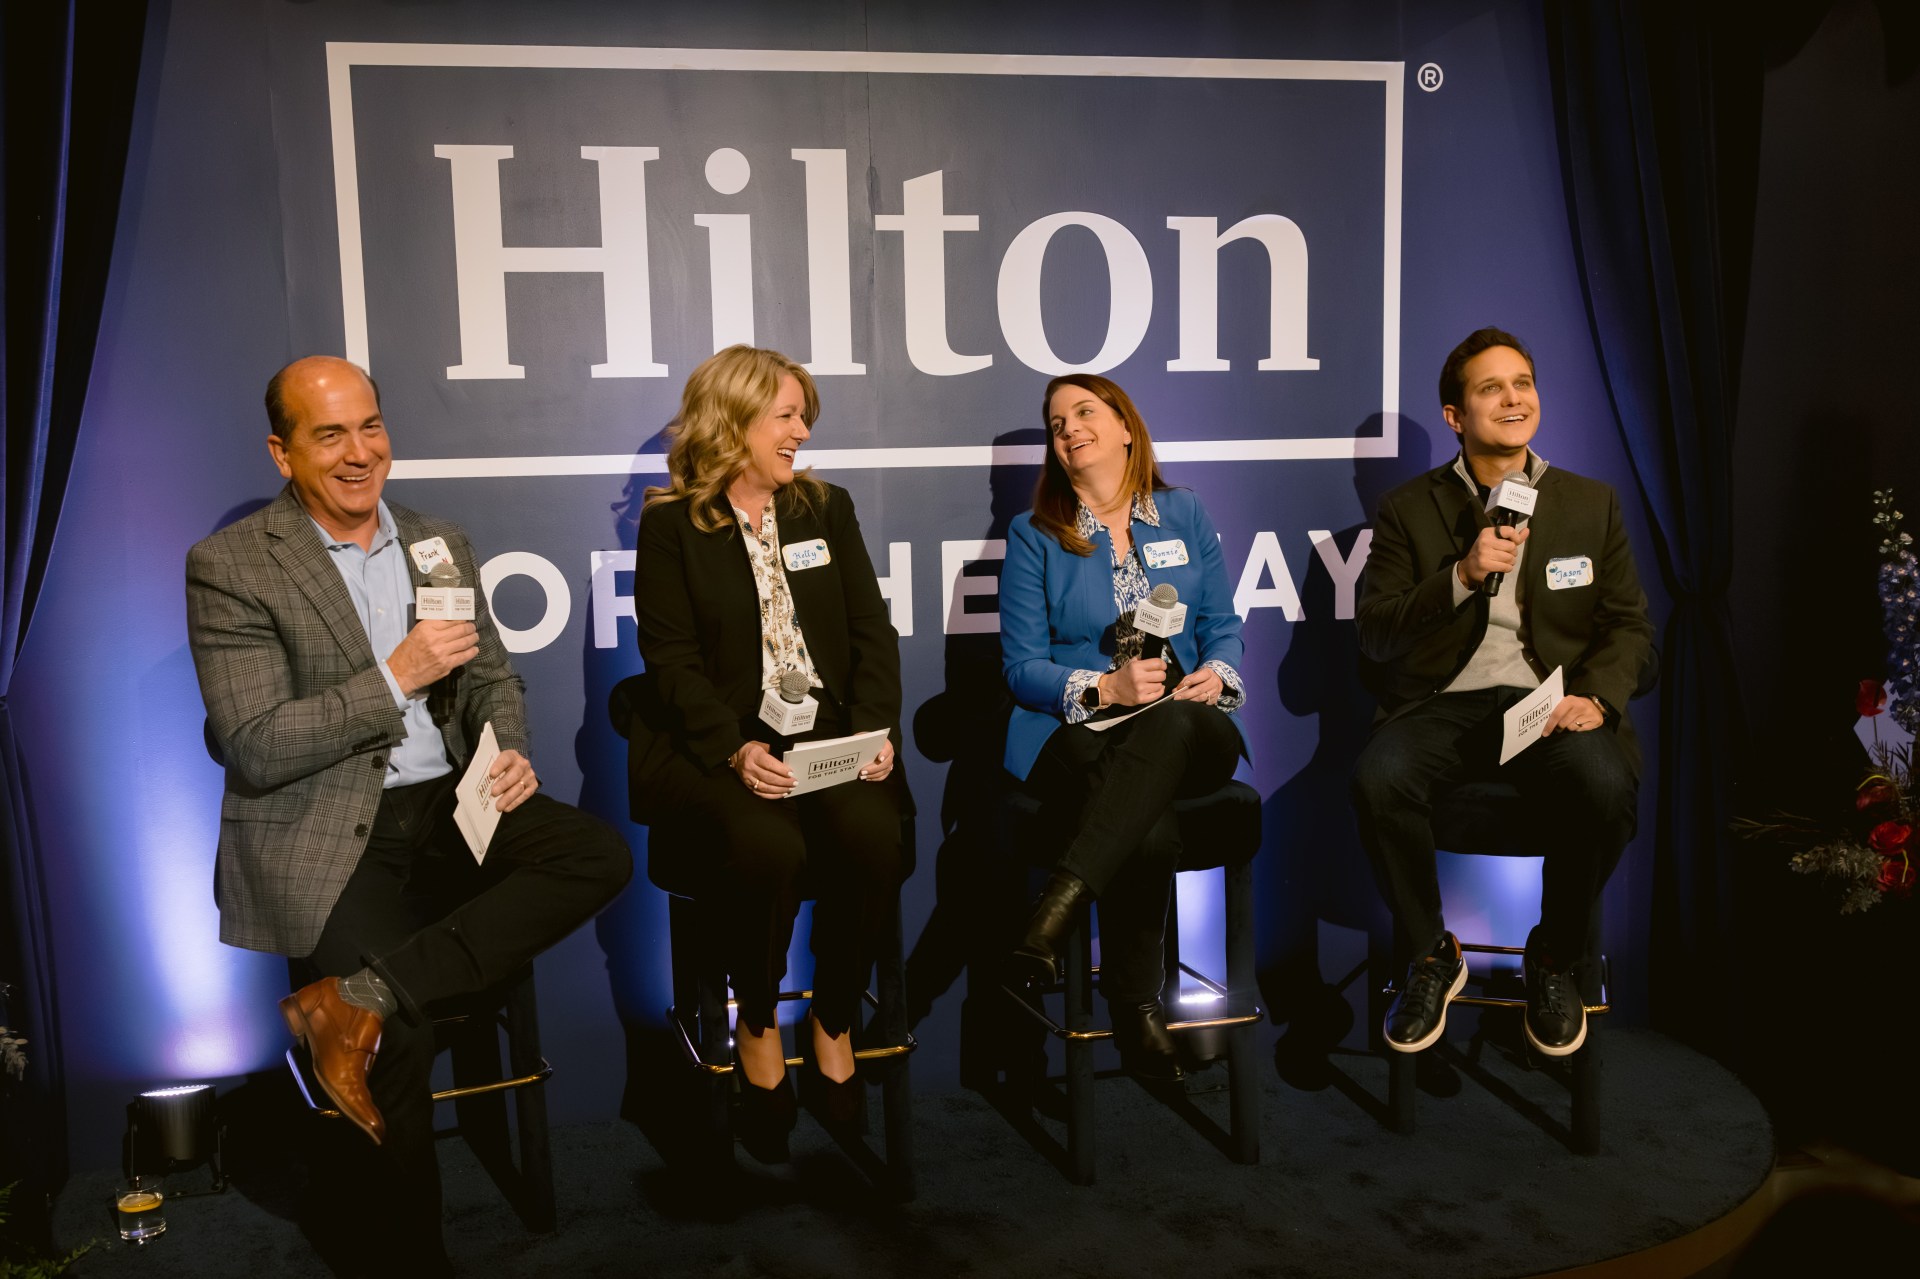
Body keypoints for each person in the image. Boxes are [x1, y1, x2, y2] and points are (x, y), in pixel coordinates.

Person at [185, 356, 631, 1273]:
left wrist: (504, 743)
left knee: (594, 853)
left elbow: (490, 675)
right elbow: (257, 743)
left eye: (372, 426)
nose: (361, 453)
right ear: (282, 452)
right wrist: (396, 675)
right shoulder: (230, 564)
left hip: (450, 806)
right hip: (331, 831)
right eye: (331, 434)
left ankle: (360, 997)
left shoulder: (437, 541)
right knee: (399, 1046)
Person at [629, 344, 908, 1162]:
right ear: (735, 421)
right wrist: (734, 750)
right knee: (766, 845)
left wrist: (878, 730)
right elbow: (671, 664)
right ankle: (756, 1020)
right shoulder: (671, 527)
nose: (802, 429)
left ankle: (830, 1018)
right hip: (726, 748)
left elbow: (870, 634)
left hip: (830, 737)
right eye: (786, 414)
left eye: (802, 414)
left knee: (871, 832)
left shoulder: (828, 507)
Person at [1351, 327, 1655, 1059]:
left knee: (1606, 780)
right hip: (1443, 704)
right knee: (1377, 776)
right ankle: (1431, 953)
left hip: (1550, 703)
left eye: (1522, 383)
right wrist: (1459, 575)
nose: (1513, 398)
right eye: (1491, 388)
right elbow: (1375, 632)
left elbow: (1630, 631)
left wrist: (1599, 700)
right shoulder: (1406, 509)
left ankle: (1553, 955)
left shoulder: (1590, 504)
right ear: (1457, 416)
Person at [999, 374, 1248, 1084]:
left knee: (1171, 725)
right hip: (1082, 731)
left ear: (1126, 427)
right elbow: (1020, 667)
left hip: (1191, 725)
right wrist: (1103, 686)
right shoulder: (1035, 534)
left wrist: (1217, 674)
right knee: (1152, 824)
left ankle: (1055, 911)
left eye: (1084, 412)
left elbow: (1223, 627)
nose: (1069, 427)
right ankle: (1136, 1006)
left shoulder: (1184, 512)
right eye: (1055, 422)